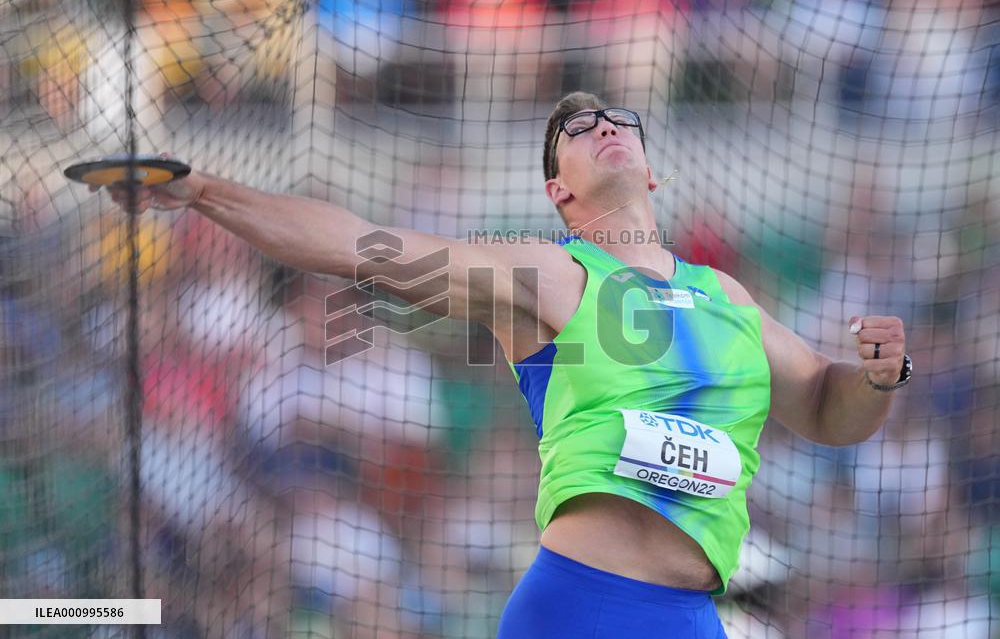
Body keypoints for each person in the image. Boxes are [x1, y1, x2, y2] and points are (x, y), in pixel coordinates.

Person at [94, 91, 912, 638]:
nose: (603, 127)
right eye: (577, 132)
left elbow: (826, 412)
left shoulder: (729, 297)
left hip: (692, 614)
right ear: (560, 191)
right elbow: (362, 247)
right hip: (581, 604)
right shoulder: (548, 271)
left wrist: (875, 378)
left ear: (651, 168)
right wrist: (204, 193)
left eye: (616, 120)